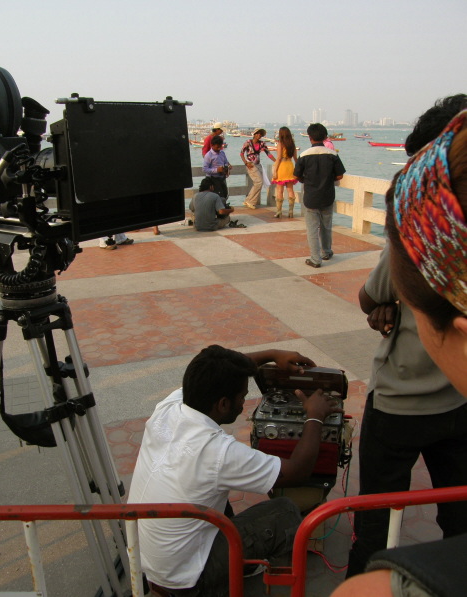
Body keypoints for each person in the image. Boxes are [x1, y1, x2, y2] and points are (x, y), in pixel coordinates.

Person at [332, 107, 467, 597]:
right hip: (458, 404)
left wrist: (385, 300)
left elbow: (371, 296)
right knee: (461, 513)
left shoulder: (419, 236)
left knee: (375, 517)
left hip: (400, 403)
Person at [129, 345, 342, 596]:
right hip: (189, 582)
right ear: (222, 404)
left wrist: (273, 354)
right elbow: (298, 471)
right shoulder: (218, 452)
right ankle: (229, 576)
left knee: (216, 494)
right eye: (242, 396)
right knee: (283, 511)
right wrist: (315, 416)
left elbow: (221, 367)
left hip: (144, 561)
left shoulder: (170, 407)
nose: (244, 402)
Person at [293, 123, 346, 268]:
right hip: (327, 195)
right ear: (325, 137)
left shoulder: (304, 155)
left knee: (312, 229)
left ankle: (315, 259)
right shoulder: (333, 155)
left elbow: (297, 176)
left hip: (311, 196)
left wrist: (307, 180)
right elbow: (340, 175)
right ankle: (326, 251)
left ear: (309, 137)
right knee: (326, 226)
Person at [240, 128, 276, 209]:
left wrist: (276, 161)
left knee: (259, 182)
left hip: (258, 164)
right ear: (254, 134)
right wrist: (245, 162)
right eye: (258, 134)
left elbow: (268, 153)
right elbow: (241, 153)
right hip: (250, 164)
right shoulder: (248, 143)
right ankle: (250, 201)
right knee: (258, 182)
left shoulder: (262, 143)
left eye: (260, 134)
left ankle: (248, 200)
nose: (259, 135)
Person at [271, 126, 298, 218]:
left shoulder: (280, 144)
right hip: (290, 165)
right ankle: (291, 211)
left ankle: (279, 211)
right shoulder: (292, 144)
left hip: (282, 166)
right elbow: (295, 158)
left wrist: (275, 170)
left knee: (280, 190)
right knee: (290, 189)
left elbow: (278, 158)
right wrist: (298, 169)